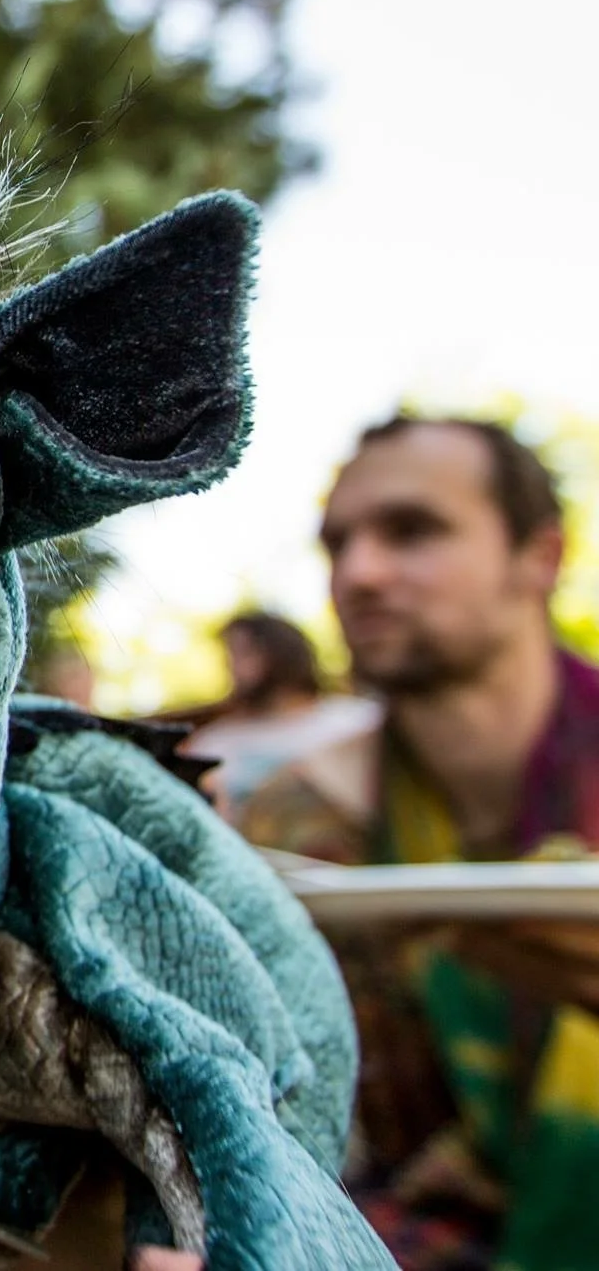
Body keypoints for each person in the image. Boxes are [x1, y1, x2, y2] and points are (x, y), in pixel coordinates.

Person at [242, 415, 599, 1271]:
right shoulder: (295, 826)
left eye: (413, 531)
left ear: (538, 558)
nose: (358, 573)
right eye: (340, 542)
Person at [181, 611, 378, 822]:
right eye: (228, 655)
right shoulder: (213, 744)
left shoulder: (358, 721)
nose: (231, 665)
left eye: (243, 652)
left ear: (282, 652)